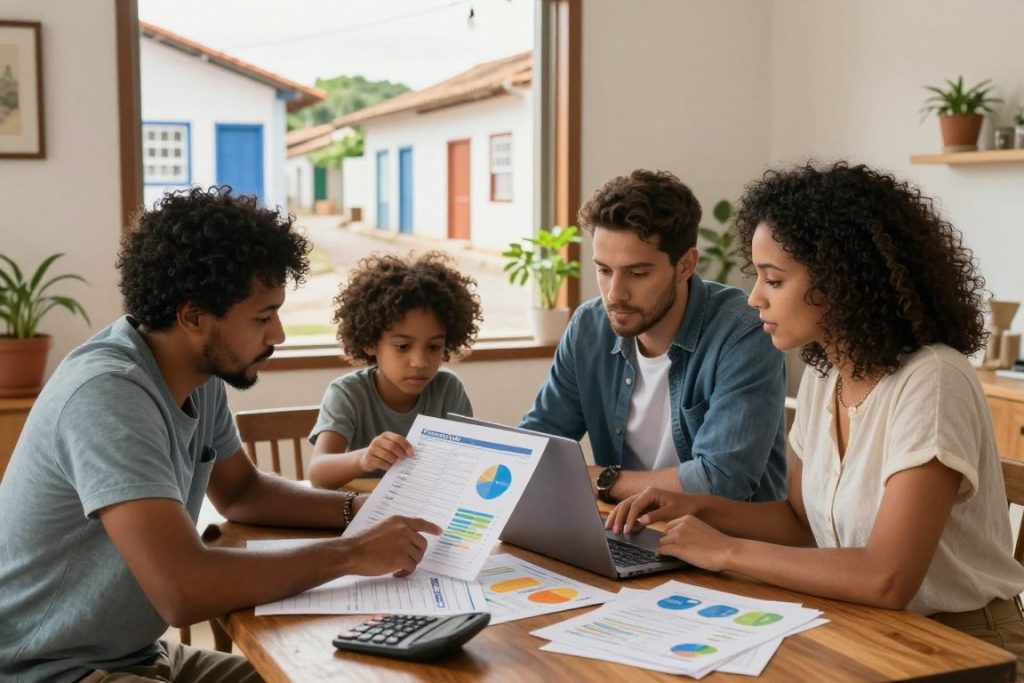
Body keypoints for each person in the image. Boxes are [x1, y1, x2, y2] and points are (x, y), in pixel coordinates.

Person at [0, 187, 442, 683]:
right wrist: (353, 554)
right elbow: (183, 590)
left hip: (133, 657)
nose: (278, 335)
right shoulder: (108, 396)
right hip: (44, 671)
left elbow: (242, 492)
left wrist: (361, 514)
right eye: (262, 317)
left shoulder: (195, 375)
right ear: (192, 316)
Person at [606, 162, 1024, 666]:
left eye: (773, 280)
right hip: (862, 627)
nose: (755, 296)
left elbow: (886, 577)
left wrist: (724, 550)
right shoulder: (826, 376)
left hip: (962, 649)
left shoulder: (932, 379)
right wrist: (694, 507)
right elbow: (802, 525)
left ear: (839, 282)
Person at [520, 169, 787, 504]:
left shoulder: (743, 334)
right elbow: (533, 446)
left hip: (719, 544)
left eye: (638, 273)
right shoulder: (589, 327)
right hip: (624, 532)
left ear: (686, 265)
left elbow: (721, 481)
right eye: (604, 270)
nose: (615, 294)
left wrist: (602, 480)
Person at [307, 252, 482, 489]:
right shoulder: (348, 393)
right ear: (369, 342)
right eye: (403, 346)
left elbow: (465, 465)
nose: (420, 361)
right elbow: (318, 473)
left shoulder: (448, 390)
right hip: (360, 515)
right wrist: (363, 458)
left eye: (434, 347)